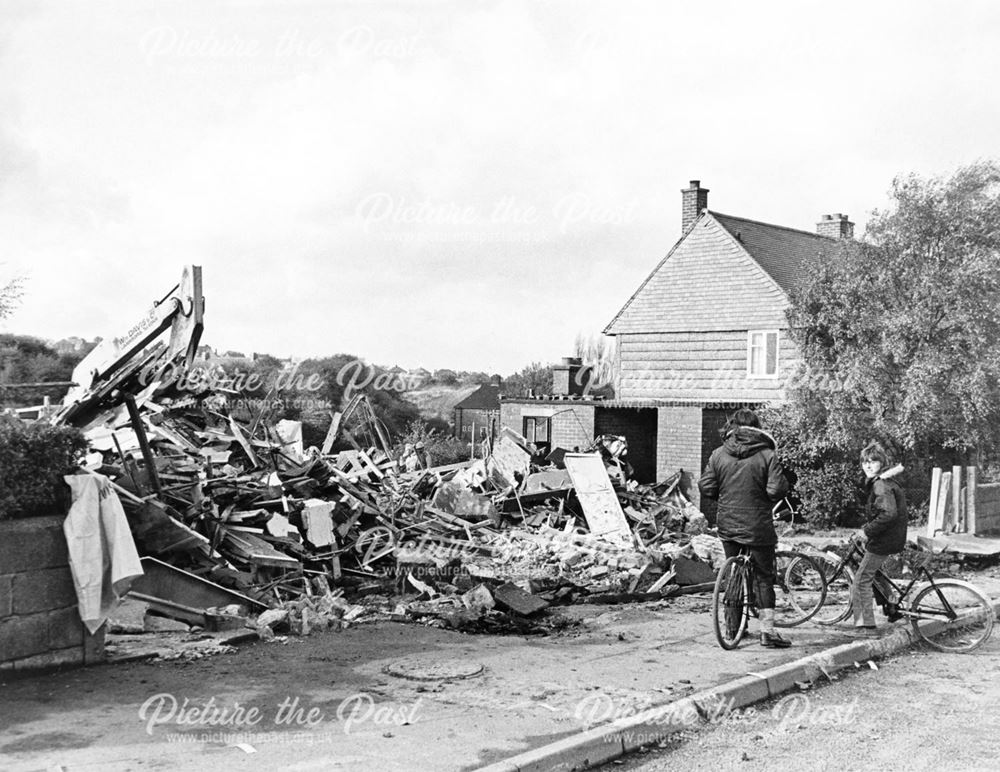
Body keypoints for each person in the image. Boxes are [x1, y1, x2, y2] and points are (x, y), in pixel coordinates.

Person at [699, 409, 791, 648]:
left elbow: (706, 487)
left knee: (732, 575)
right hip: (757, 526)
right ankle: (768, 633)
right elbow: (775, 490)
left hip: (728, 524)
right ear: (757, 428)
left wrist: (726, 497)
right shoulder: (767, 455)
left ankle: (731, 628)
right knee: (763, 577)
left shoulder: (719, 454)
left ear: (732, 427)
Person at [850, 441, 907, 633]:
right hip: (890, 537)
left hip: (885, 539)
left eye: (873, 461)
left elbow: (888, 514)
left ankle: (866, 626)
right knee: (876, 574)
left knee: (861, 581)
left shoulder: (881, 485)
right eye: (865, 462)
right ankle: (891, 607)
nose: (868, 465)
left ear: (882, 463)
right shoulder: (884, 481)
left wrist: (866, 531)